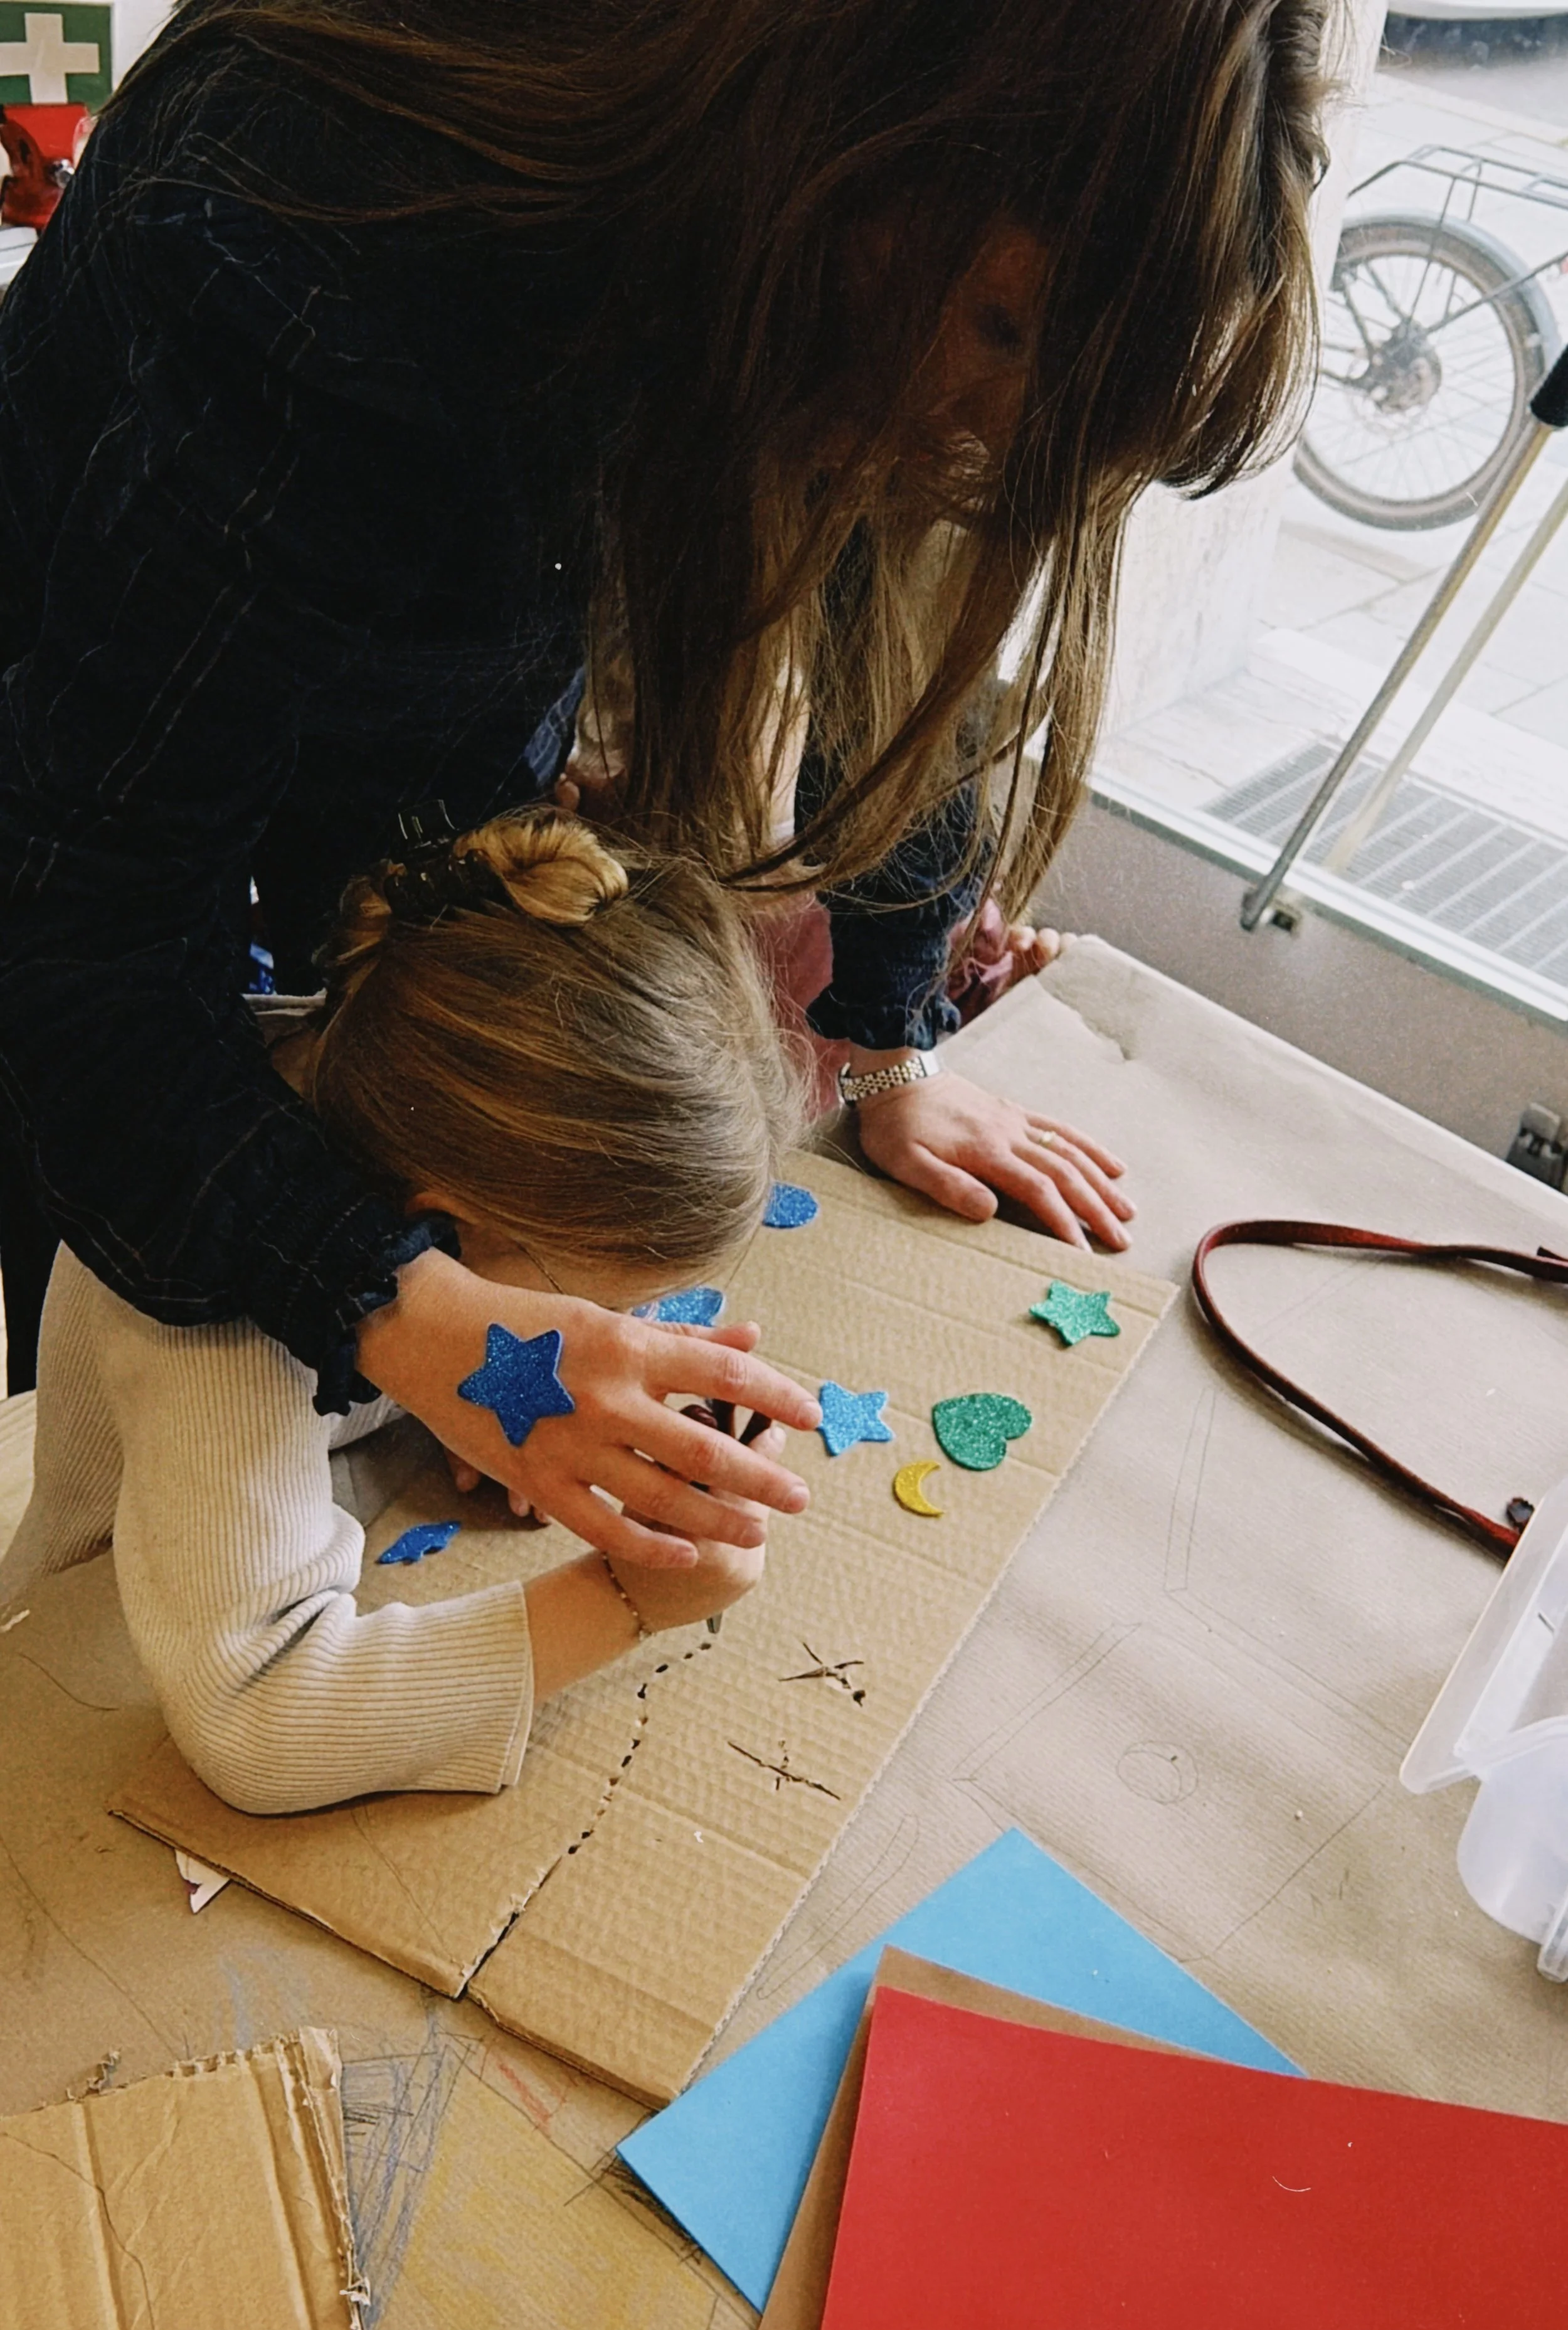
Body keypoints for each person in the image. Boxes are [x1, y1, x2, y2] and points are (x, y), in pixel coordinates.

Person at [0, 0, 1332, 1571]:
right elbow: (82, 937)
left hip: (391, 706)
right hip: (68, 751)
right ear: (863, 124)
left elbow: (896, 608)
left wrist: (883, 1035)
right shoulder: (327, 230)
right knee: (133, 1349)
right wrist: (408, 1312)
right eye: (995, 335)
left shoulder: (843, 254)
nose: (958, 437)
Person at [1, 809, 812, 1812]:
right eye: (593, 1309)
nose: (611, 1342)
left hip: (323, 1518)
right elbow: (259, 1722)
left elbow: (417, 1337)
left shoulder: (368, 1082)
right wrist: (625, 1598)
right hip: (78, 1687)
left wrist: (487, 1412)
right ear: (436, 1231)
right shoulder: (220, 1317)